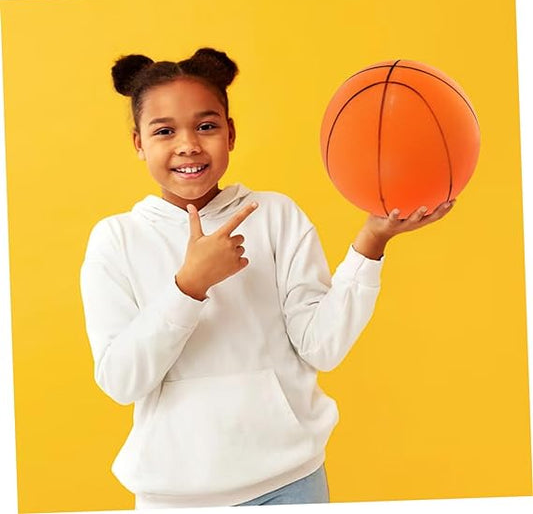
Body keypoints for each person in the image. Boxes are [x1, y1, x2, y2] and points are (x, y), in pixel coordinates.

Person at [79, 47, 454, 509]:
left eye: (207, 125)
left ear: (230, 133)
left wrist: (371, 243)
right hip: (176, 496)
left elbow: (322, 346)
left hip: (290, 484)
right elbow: (120, 380)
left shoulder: (275, 216)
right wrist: (189, 286)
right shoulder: (116, 239)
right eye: (164, 131)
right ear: (138, 142)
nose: (188, 145)